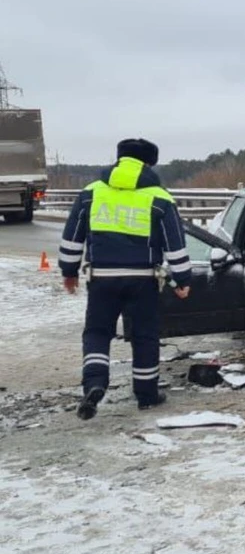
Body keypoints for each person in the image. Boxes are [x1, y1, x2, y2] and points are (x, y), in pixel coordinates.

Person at [58, 138, 192, 420]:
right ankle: (146, 394)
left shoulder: (90, 193)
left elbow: (72, 238)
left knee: (96, 332)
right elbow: (175, 245)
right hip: (144, 279)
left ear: (119, 160)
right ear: (149, 164)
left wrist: (68, 272)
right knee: (145, 335)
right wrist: (182, 279)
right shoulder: (160, 197)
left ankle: (94, 384)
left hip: (102, 277)